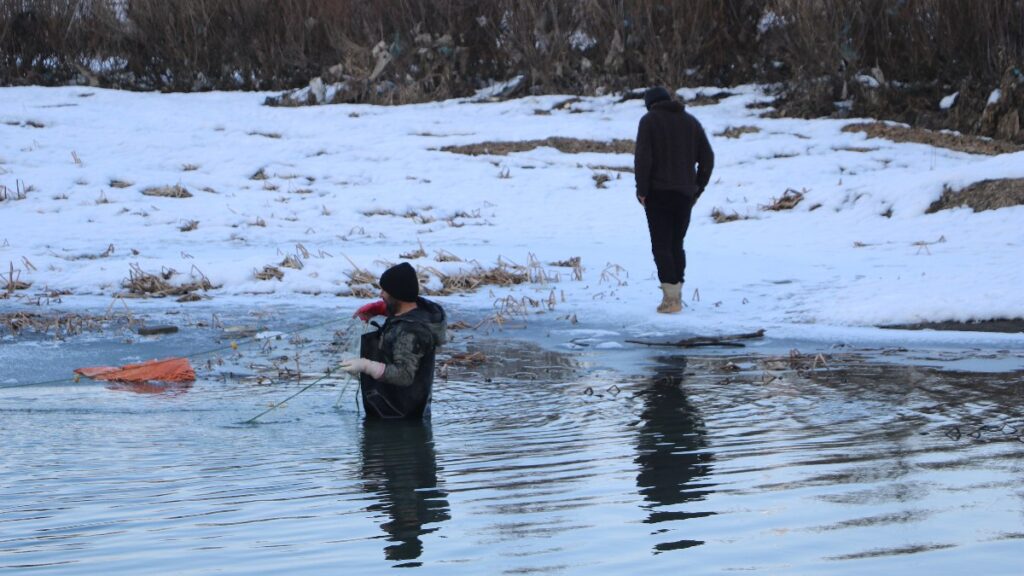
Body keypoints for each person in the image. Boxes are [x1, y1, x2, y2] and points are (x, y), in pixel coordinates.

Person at [634, 86, 715, 314]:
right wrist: (697, 187)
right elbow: (707, 158)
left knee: (661, 245)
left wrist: (641, 190)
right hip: (684, 194)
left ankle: (671, 300)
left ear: (650, 104)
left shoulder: (649, 121)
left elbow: (643, 158)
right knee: (676, 244)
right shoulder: (690, 122)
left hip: (658, 193)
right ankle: (676, 295)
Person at [340, 262, 446, 419]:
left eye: (384, 291)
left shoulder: (411, 332)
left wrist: (365, 365)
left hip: (399, 418)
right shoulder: (420, 310)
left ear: (397, 294)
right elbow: (404, 309)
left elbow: (403, 374)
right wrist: (379, 308)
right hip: (394, 409)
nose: (380, 294)